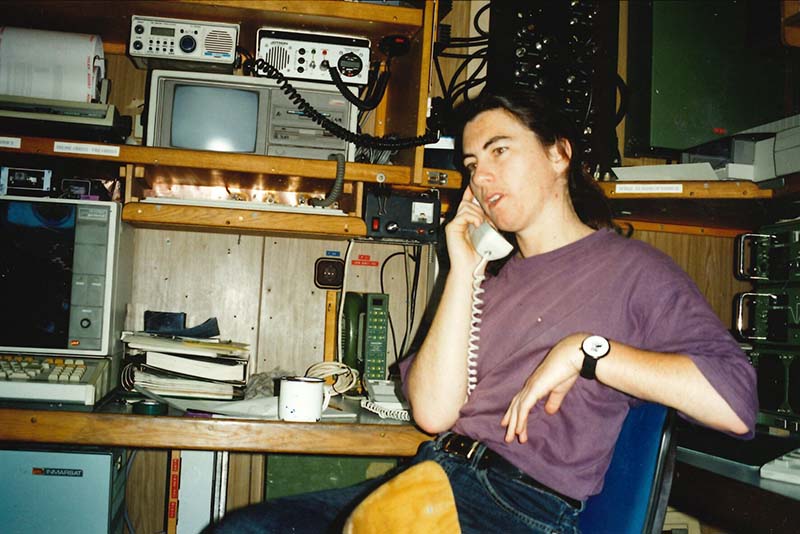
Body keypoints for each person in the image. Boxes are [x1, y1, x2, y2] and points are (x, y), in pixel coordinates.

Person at [204, 90, 758, 534]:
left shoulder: (633, 270)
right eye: (472, 163)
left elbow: (736, 405)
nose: (481, 178)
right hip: (436, 474)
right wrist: (464, 267)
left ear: (558, 154)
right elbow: (433, 412)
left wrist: (586, 353)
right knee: (247, 528)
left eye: (499, 151)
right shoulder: (487, 276)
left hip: (516, 504)